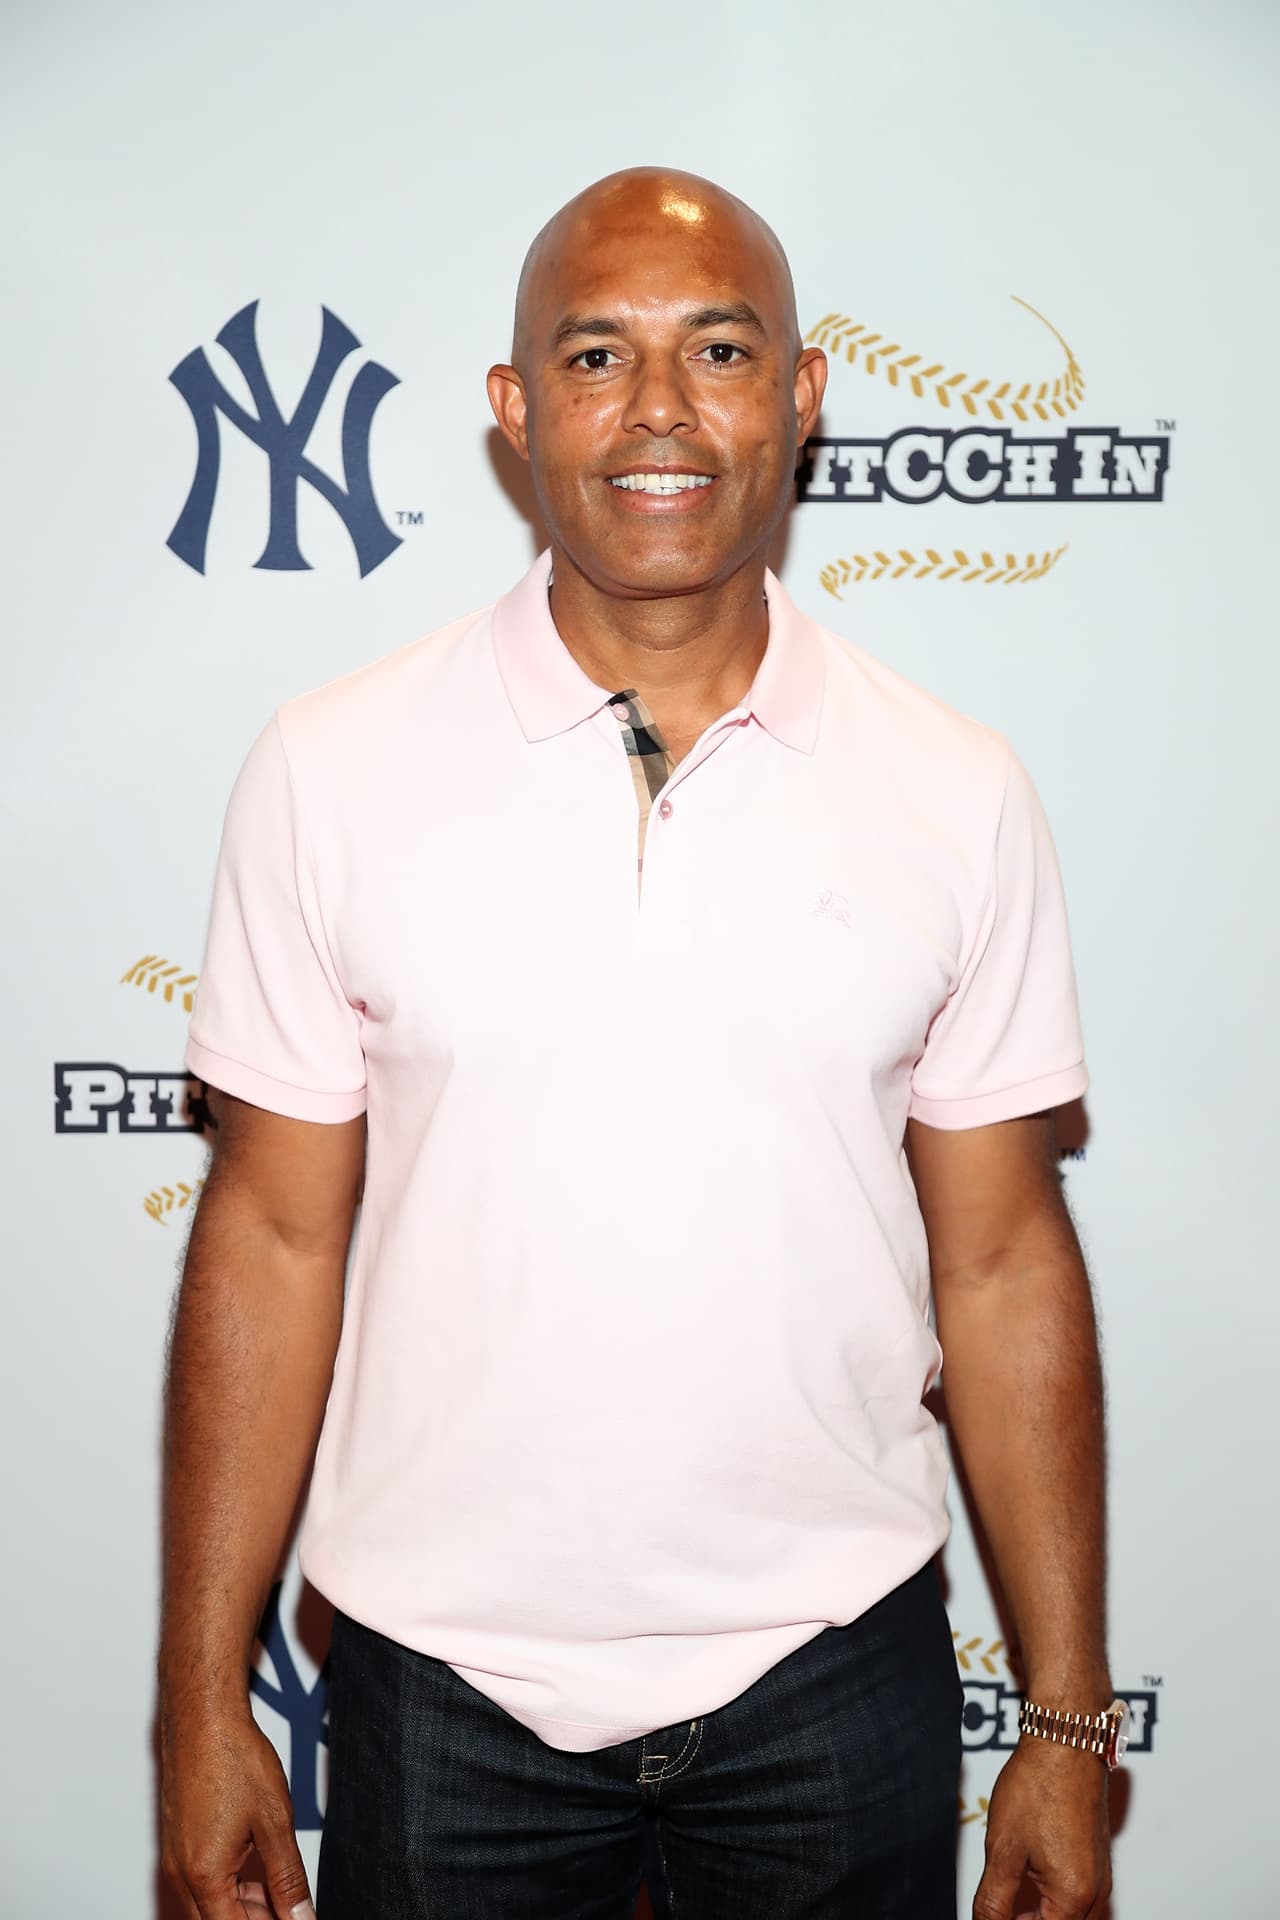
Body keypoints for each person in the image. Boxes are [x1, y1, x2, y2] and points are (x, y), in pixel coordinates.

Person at [158, 167, 1121, 1920]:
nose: (662, 412)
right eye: (598, 355)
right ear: (517, 411)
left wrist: (1064, 1714)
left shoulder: (956, 789)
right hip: (438, 1682)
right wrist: (198, 1697)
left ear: (804, 394)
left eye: (722, 350)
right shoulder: (331, 765)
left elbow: (999, 1261)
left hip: (839, 1676)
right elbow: (273, 1234)